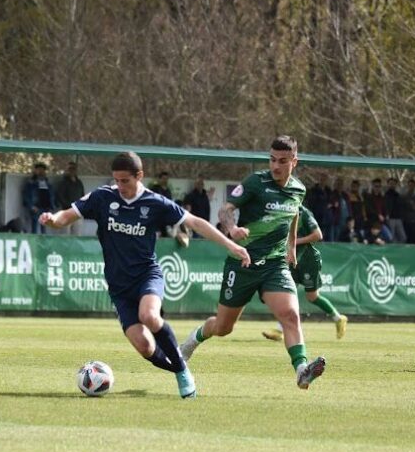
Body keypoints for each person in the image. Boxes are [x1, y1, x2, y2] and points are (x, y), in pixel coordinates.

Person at [39, 151, 251, 399]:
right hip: (119, 287)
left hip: (147, 276)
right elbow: (67, 216)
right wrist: (52, 219)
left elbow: (195, 222)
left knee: (148, 315)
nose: (120, 186)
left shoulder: (154, 202)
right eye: (116, 180)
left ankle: (183, 373)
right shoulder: (102, 197)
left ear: (139, 176)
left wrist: (231, 245)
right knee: (145, 346)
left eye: (125, 181)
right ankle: (178, 363)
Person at [180, 136, 327, 391]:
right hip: (243, 263)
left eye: (282, 161)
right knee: (224, 327)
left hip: (274, 265)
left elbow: (293, 215)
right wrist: (232, 228)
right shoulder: (255, 183)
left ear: (295, 161)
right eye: (272, 160)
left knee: (290, 315)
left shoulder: (299, 190)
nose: (275, 166)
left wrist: (291, 247)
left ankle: (302, 369)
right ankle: (189, 344)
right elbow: (225, 210)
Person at [262, 205, 348, 342]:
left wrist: (294, 242)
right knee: (288, 294)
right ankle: (279, 330)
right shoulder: (280, 209)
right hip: (292, 259)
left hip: (308, 260)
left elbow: (318, 235)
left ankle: (338, 318)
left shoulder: (304, 213)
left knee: (312, 297)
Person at [53, 162, 85, 236]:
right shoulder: (63, 183)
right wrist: (69, 205)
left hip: (78, 212)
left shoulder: (79, 182)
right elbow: (60, 196)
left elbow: (82, 195)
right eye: (70, 169)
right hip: (66, 211)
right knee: (65, 234)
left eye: (74, 169)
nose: (72, 171)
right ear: (67, 170)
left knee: (77, 233)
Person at [22, 162, 55, 234]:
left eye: (43, 170)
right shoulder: (30, 183)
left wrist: (51, 206)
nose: (41, 172)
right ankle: (35, 243)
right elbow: (26, 196)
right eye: (39, 170)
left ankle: (43, 244)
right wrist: (31, 206)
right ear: (35, 171)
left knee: (44, 228)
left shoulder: (47, 183)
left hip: (45, 208)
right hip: (36, 208)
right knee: (35, 229)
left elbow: (51, 195)